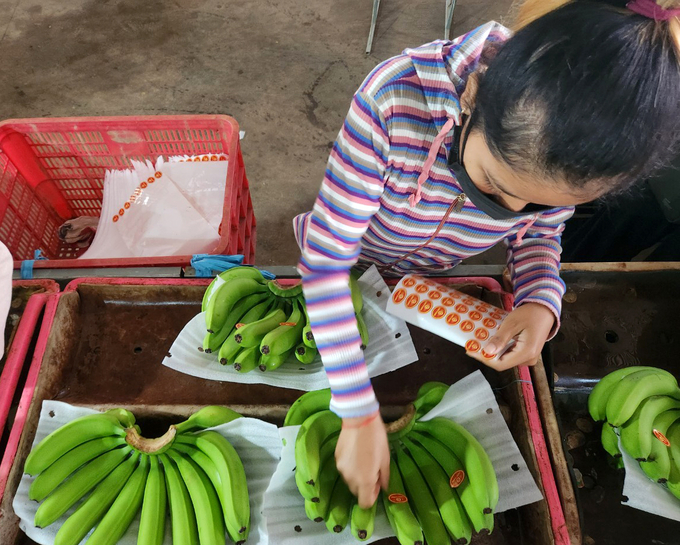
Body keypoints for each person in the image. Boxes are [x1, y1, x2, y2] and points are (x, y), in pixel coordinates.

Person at [294, 0, 680, 508]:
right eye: (493, 186)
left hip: (432, 278)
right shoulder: (391, 102)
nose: (513, 211)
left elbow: (539, 237)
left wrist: (541, 300)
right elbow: (325, 263)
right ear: (472, 97)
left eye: (539, 202)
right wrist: (357, 409)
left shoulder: (561, 171)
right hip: (353, 255)